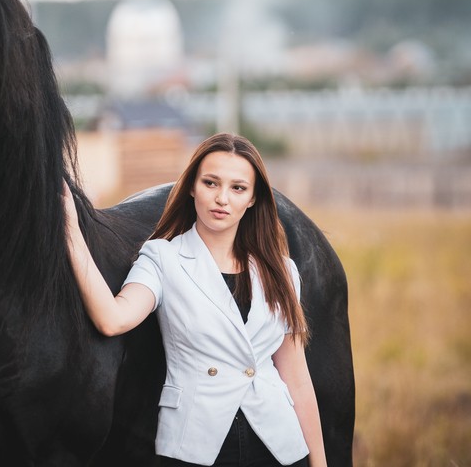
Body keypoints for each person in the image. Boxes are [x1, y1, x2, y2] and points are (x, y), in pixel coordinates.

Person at [62, 133, 326, 467]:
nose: (222, 199)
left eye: (238, 188)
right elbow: (112, 319)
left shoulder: (282, 270)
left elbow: (297, 378)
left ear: (253, 198)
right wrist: (70, 230)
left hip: (279, 445)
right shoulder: (163, 258)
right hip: (197, 446)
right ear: (191, 187)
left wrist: (319, 463)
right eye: (211, 183)